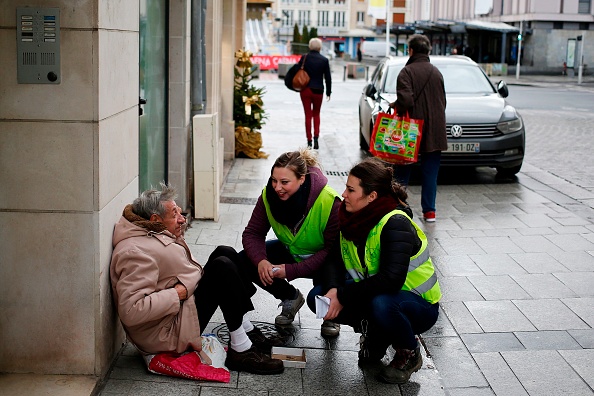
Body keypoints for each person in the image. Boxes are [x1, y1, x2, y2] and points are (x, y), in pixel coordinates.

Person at [110, 183, 284, 375]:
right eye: (175, 214)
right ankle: (240, 350)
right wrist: (178, 293)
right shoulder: (135, 252)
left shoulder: (152, 232)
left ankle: (246, 328)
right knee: (222, 269)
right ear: (155, 219)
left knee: (225, 252)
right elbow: (131, 311)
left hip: (175, 315)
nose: (182, 219)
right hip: (165, 334)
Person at [306, 158, 441, 384]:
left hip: (417, 305)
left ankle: (408, 352)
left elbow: (391, 280)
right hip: (377, 295)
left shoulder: (395, 222)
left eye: (351, 190)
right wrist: (332, 291)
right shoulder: (350, 219)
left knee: (382, 304)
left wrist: (343, 295)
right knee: (317, 298)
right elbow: (333, 261)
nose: (344, 194)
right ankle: (376, 335)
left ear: (372, 196)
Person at [241, 149, 342, 337]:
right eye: (274, 180)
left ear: (302, 179)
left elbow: (332, 251)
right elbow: (252, 233)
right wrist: (261, 260)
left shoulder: (329, 201)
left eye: (284, 182)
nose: (277, 187)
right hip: (293, 252)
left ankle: (330, 317)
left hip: (326, 261)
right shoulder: (268, 196)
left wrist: (290, 271)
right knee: (245, 259)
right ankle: (290, 297)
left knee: (329, 275)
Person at [389, 34, 447, 223]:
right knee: (431, 172)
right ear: (428, 51)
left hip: (410, 130)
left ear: (411, 50)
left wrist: (395, 104)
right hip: (435, 130)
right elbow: (442, 102)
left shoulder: (406, 72)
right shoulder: (436, 72)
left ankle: (400, 208)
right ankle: (430, 212)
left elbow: (406, 100)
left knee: (402, 172)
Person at [298, 37, 332, 149]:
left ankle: (309, 140)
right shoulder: (324, 60)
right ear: (320, 47)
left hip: (306, 90)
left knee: (308, 115)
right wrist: (328, 92)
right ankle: (316, 138)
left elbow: (297, 71)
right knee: (316, 114)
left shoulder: (304, 58)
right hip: (318, 90)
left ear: (309, 46)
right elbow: (328, 77)